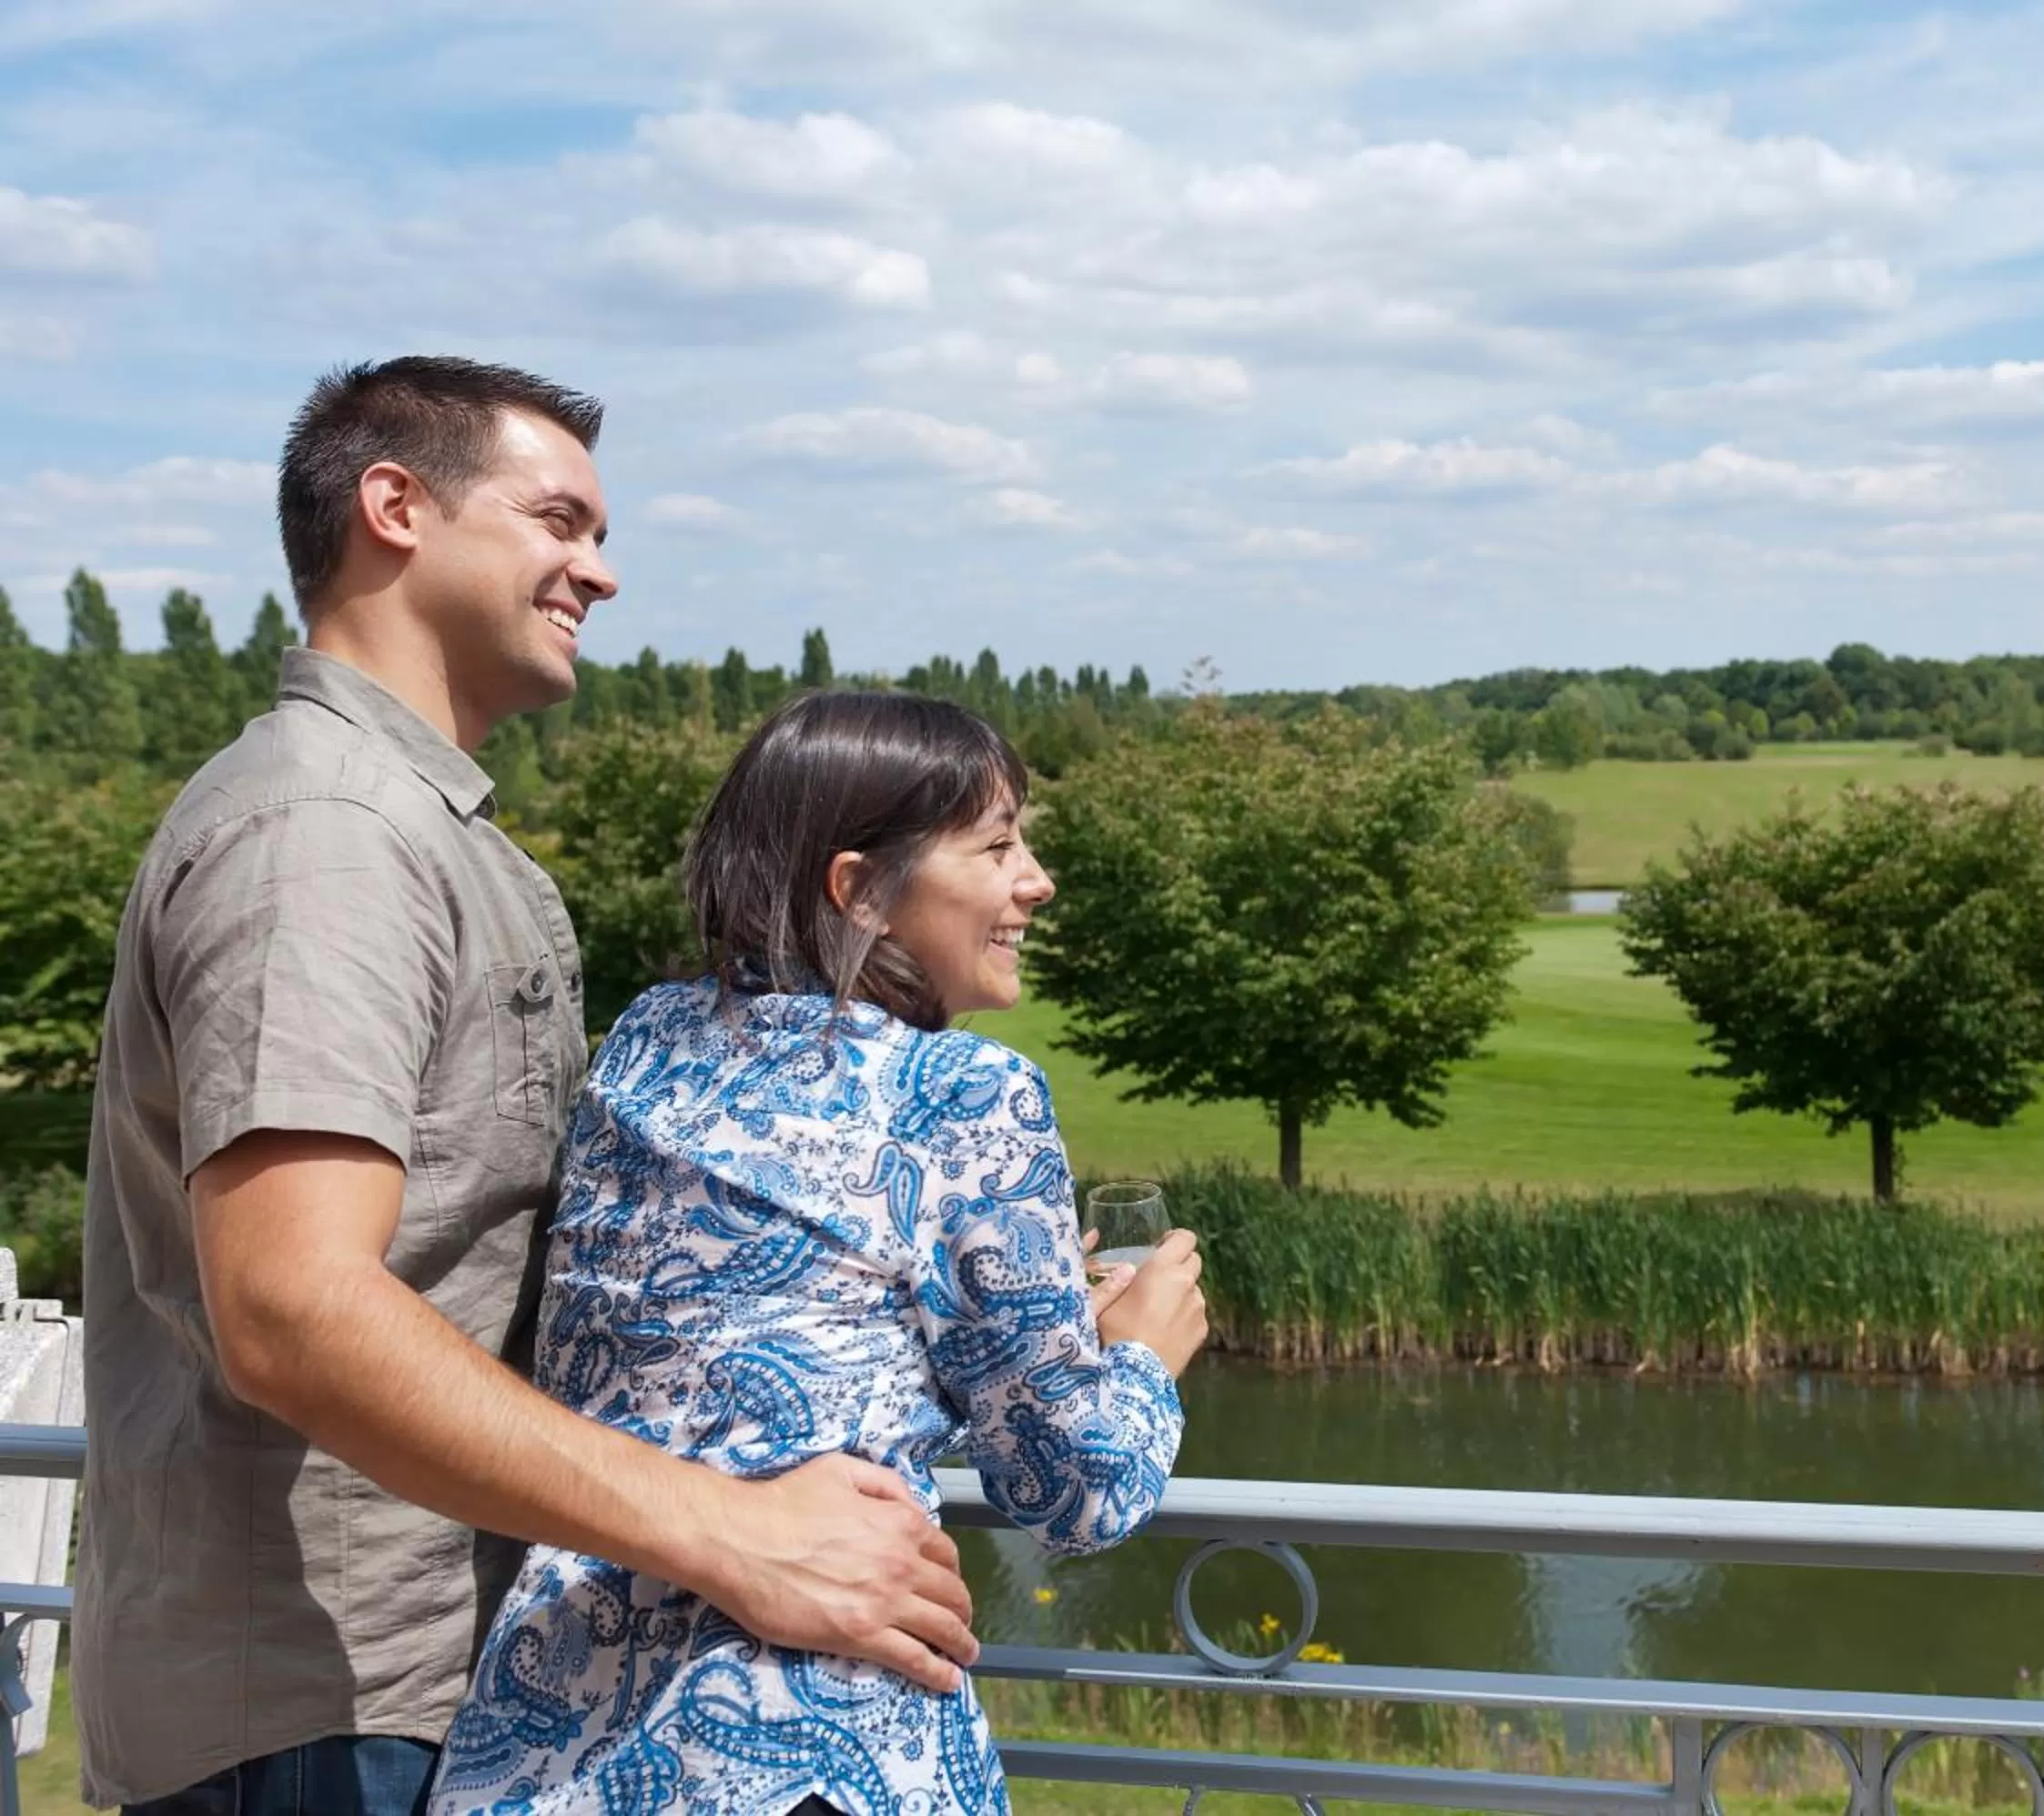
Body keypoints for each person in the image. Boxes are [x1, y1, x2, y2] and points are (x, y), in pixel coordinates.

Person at [77, 358, 977, 1816]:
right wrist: (732, 1532)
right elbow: (291, 1304)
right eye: (560, 521)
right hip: (332, 1717)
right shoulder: (329, 833)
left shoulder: (420, 831)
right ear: (395, 508)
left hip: (426, 1693)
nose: (601, 573)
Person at [427, 691, 1206, 1816]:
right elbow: (1073, 1492)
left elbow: (752, 1344)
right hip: (805, 1747)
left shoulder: (649, 1041)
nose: (1036, 881)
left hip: (557, 1735)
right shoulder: (966, 1093)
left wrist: (1023, 1313)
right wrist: (1139, 1356)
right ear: (860, 890)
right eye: (997, 848)